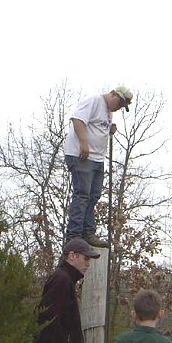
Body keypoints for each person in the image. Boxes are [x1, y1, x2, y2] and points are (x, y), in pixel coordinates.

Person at [64, 86, 133, 248]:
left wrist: (110, 129)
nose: (119, 107)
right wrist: (83, 143)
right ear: (113, 94)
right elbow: (77, 120)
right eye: (119, 103)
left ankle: (87, 233)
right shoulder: (94, 100)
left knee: (93, 196)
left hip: (97, 158)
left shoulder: (108, 112)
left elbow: (97, 127)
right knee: (82, 195)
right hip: (82, 156)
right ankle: (74, 236)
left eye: (122, 106)